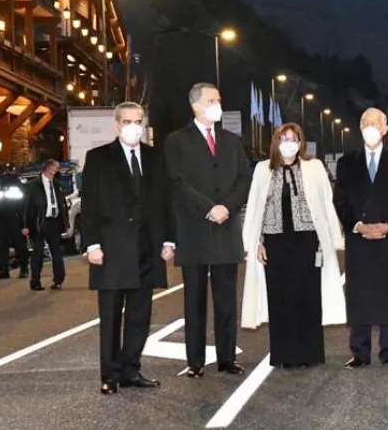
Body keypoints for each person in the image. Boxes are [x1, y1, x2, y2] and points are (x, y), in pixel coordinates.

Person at [83, 102, 176, 394]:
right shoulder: (98, 158)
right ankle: (110, 375)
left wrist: (169, 240)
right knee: (111, 316)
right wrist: (92, 244)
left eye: (138, 121)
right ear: (117, 125)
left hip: (146, 250)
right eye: (127, 121)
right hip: (111, 250)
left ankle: (131, 369)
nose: (133, 127)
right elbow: (89, 205)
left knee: (139, 315)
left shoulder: (155, 157)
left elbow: (166, 201)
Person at [165, 83, 252, 378]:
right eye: (212, 100)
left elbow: (244, 178)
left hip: (226, 229)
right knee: (195, 300)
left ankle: (227, 358)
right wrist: (208, 207)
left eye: (219, 99)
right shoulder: (177, 141)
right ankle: (196, 361)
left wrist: (227, 205)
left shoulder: (231, 141)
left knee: (226, 300)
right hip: (194, 231)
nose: (218, 104)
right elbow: (176, 183)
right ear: (196, 105)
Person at [242, 123, 345, 367]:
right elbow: (255, 207)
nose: (289, 143)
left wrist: (332, 238)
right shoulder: (263, 169)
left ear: (300, 143)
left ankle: (309, 354)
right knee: (280, 298)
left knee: (308, 296)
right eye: (284, 138)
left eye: (293, 138)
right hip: (275, 241)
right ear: (276, 142)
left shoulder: (314, 167)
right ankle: (284, 355)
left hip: (308, 240)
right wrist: (257, 242)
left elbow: (326, 202)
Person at [333, 108, 388, 368]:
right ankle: (359, 351)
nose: (371, 127)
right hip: (360, 237)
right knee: (360, 293)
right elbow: (340, 201)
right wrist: (357, 226)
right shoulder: (346, 163)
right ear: (360, 127)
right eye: (366, 122)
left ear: (385, 129)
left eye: (376, 123)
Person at [22, 159, 68, 291]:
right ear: (48, 168)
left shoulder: (57, 184)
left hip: (54, 221)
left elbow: (62, 204)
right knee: (37, 252)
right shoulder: (33, 185)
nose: (57, 170)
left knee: (56, 252)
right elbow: (26, 206)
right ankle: (35, 281)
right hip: (39, 222)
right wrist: (25, 225)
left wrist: (65, 222)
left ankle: (58, 280)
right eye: (56, 167)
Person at [0, 164, 28, 279]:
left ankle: (7, 269)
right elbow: (23, 202)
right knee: (15, 244)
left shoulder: (1, 183)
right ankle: (21, 269)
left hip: (5, 216)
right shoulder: (17, 183)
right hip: (12, 216)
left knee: (6, 244)